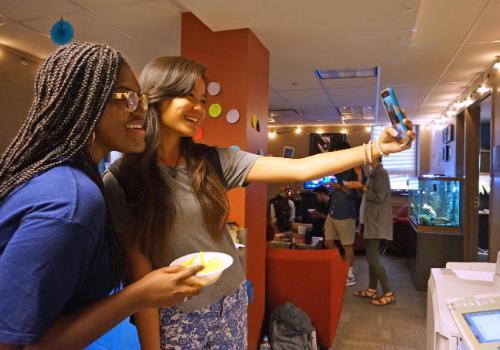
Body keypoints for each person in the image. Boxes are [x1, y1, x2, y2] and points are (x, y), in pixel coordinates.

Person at [103, 56, 414, 349]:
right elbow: (140, 275)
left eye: (202, 100)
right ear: (158, 95)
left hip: (232, 300)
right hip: (178, 316)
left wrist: (375, 148)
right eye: (188, 96)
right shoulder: (123, 180)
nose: (197, 107)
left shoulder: (212, 160)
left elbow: (300, 168)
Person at [0, 42, 204, 350]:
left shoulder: (63, 176)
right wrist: (139, 294)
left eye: (143, 98)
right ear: (84, 103)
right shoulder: (73, 202)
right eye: (128, 98)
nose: (142, 110)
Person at [353, 157, 395, 306]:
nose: (367, 157)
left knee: (372, 259)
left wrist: (363, 188)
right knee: (372, 258)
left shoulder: (381, 173)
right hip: (371, 220)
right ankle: (372, 289)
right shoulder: (373, 173)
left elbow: (379, 197)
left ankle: (388, 292)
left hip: (376, 222)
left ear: (376, 156)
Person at [323, 141, 363, 286]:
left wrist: (338, 186)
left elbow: (355, 193)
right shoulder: (339, 169)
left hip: (346, 213)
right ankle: (342, 266)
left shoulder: (355, 169)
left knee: (347, 245)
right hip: (333, 211)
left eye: (336, 151)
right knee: (328, 242)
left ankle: (349, 274)